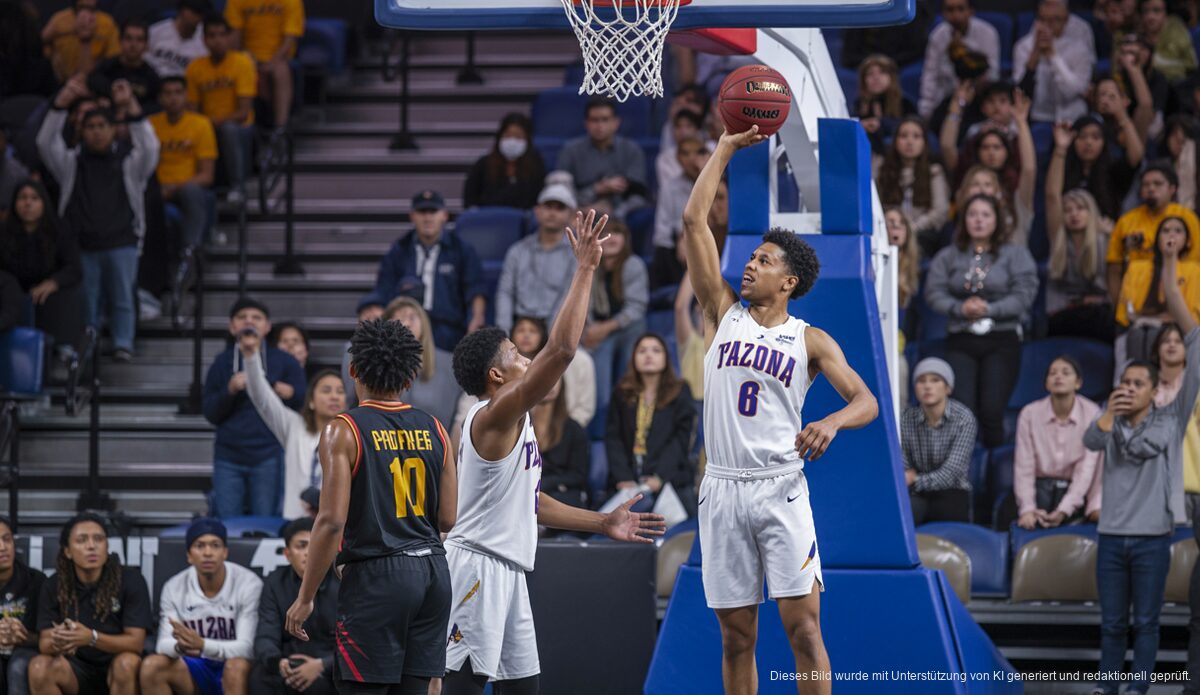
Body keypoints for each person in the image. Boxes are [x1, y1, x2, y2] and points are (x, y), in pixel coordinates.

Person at [683, 125, 879, 695]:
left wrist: (831, 421)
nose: (748, 265)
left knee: (804, 629)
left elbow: (866, 401)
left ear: (788, 281)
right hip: (721, 488)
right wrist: (723, 148)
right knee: (736, 637)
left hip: (779, 488)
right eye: (750, 257)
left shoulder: (810, 339)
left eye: (763, 261)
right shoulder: (722, 311)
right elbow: (695, 223)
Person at [443, 209, 665, 694]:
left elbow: (531, 502)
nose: (528, 357)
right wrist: (585, 268)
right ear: (496, 377)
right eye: (517, 355)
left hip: (509, 568)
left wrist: (602, 523)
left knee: (524, 689)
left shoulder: (515, 422)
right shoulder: (494, 415)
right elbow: (562, 351)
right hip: (476, 567)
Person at [284, 318, 458, 694]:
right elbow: (448, 517)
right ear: (410, 377)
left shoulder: (343, 428)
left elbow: (330, 522)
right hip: (433, 573)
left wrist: (306, 596)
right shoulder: (436, 427)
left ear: (353, 371)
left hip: (379, 575)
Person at [1084, 230, 1199, 695]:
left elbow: (1141, 447)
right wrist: (1112, 410)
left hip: (1153, 535)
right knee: (1112, 624)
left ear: (1155, 390)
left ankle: (1138, 690)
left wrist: (1169, 272)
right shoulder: (1109, 416)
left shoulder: (1171, 417)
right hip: (1111, 532)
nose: (1130, 387)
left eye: (1139, 383)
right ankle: (1109, 687)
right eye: (1125, 381)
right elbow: (1092, 441)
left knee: (1146, 623)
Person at [37, 76, 159, 363]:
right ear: (82, 131)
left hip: (122, 240)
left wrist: (132, 106)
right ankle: (86, 346)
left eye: (102, 126)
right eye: (90, 127)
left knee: (122, 299)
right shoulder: (69, 163)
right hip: (83, 243)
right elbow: (44, 143)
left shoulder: (130, 164)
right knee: (86, 301)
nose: (96, 133)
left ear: (114, 130)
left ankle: (123, 344)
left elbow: (151, 148)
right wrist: (59, 105)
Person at [925, 193, 1038, 448]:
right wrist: (959, 307)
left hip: (1002, 337)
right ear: (963, 220)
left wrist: (990, 308)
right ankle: (964, 476)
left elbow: (1024, 294)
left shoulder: (1015, 254)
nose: (978, 220)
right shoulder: (948, 255)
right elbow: (933, 292)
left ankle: (992, 477)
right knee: (961, 410)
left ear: (997, 220)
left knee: (991, 409)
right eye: (972, 214)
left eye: (986, 215)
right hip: (960, 337)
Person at [202, 297, 307, 518]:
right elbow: (210, 412)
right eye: (242, 318)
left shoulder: (286, 361)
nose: (249, 322)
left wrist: (290, 393)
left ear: (267, 327)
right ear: (232, 327)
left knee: (265, 524)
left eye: (256, 318)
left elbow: (306, 403)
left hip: (269, 453)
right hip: (228, 456)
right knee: (227, 525)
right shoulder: (221, 363)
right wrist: (229, 390)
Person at [29, 513, 151, 695]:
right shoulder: (54, 585)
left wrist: (91, 638)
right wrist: (62, 641)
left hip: (117, 667)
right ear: (67, 551)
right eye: (81, 540)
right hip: (74, 668)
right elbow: (45, 643)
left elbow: (136, 643)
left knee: (127, 663)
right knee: (39, 666)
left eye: (98, 539)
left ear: (107, 546)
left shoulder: (131, 580)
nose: (91, 546)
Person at [140, 518, 261, 695]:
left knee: (236, 666)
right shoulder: (174, 587)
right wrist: (181, 647)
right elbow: (163, 644)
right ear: (189, 555)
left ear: (225, 552)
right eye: (200, 545)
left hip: (233, 665)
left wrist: (203, 645)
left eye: (215, 545)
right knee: (152, 666)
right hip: (196, 665)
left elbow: (246, 648)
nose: (208, 552)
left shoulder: (248, 583)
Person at [242, 322, 345, 520]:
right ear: (312, 401)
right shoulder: (293, 426)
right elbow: (262, 398)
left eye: (340, 391)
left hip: (337, 527)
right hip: (296, 523)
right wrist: (251, 357)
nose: (334, 396)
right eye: (326, 390)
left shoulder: (353, 436)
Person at [370, 190, 487, 352]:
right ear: (412, 216)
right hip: (405, 327)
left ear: (444, 215)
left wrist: (476, 320)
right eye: (422, 212)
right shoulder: (399, 250)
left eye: (433, 211)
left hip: (448, 330)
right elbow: (383, 289)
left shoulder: (461, 249)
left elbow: (475, 290)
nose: (427, 218)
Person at [606, 333, 698, 515]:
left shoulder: (680, 391)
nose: (649, 355)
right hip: (627, 479)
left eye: (656, 350)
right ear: (633, 358)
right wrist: (623, 477)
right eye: (642, 351)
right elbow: (613, 437)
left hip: (669, 478)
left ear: (666, 358)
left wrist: (659, 477)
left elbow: (680, 440)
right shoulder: (621, 392)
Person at [1011, 356, 1102, 530]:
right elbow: (1024, 466)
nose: (1058, 377)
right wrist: (1027, 509)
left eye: (1066, 373)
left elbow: (1086, 469)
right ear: (1046, 384)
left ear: (1078, 383)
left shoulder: (1093, 413)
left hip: (1076, 497)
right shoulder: (1029, 413)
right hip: (1040, 492)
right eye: (1052, 373)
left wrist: (1064, 511)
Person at [0, 180, 86, 362]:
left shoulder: (59, 229)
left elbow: (74, 268)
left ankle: (63, 351)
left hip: (48, 296)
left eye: (34, 198)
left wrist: (53, 282)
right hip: (11, 294)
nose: (28, 203)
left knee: (70, 293)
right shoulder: (4, 231)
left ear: (44, 203)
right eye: (22, 198)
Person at [150, 76, 216, 301]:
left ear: (186, 96)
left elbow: (207, 175)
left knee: (193, 192)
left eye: (178, 92)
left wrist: (174, 188)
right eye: (167, 93)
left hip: (187, 190)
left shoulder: (200, 124)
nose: (173, 98)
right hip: (156, 193)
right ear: (159, 98)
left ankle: (190, 256)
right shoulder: (150, 125)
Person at [254, 518, 338, 695]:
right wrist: (278, 663)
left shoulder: (343, 581)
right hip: (287, 664)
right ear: (287, 553)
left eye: (316, 545)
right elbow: (265, 636)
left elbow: (359, 642)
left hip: (331, 668)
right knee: (259, 678)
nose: (309, 552)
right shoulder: (275, 583)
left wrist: (323, 665)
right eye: (302, 546)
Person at [585, 220, 649, 432]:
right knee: (599, 387)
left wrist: (603, 329)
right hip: (598, 330)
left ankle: (629, 424)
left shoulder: (633, 264)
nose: (613, 238)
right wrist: (591, 329)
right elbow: (583, 303)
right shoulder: (589, 264)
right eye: (608, 233)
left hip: (626, 328)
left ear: (626, 239)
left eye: (618, 233)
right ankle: (601, 434)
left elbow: (636, 308)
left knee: (628, 370)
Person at [1107, 163, 1200, 308]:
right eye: (1145, 184)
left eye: (1157, 184)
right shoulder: (1127, 221)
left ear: (1172, 189)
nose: (1151, 188)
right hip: (1135, 294)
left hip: (1181, 291)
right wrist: (1118, 308)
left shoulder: (1187, 217)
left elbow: (1195, 261)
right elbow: (1114, 268)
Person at [186, 18, 256, 204]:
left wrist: (211, 123)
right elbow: (192, 110)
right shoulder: (195, 67)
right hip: (207, 125)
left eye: (222, 35)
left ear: (229, 38)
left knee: (228, 129)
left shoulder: (242, 63)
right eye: (211, 35)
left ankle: (237, 187)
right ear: (204, 40)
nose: (217, 40)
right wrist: (204, 125)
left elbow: (243, 112)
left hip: (240, 127)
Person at [1115, 216, 1200, 367]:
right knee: (1135, 335)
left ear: (1188, 241)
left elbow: (1190, 318)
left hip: (1179, 330)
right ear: (1157, 238)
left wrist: (1155, 319)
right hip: (1138, 329)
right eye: (1165, 231)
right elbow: (1128, 313)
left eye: (1178, 231)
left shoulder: (1195, 271)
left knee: (1162, 336)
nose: (1171, 235)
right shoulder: (1136, 268)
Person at [494, 181, 578, 334]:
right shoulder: (517, 250)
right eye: (548, 207)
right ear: (537, 211)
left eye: (559, 208)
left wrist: (552, 338)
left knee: (582, 359)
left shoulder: (576, 253)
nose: (552, 213)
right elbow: (505, 292)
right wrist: (504, 334)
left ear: (571, 214)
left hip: (560, 332)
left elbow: (570, 298)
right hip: (519, 328)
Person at [901, 358, 976, 525]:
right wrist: (911, 479)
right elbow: (904, 465)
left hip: (952, 491)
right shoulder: (906, 418)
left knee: (949, 514)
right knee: (900, 517)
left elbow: (952, 473)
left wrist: (916, 479)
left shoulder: (964, 418)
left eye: (935, 380)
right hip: (916, 492)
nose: (927, 386)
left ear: (948, 388)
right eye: (921, 381)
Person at [1043, 184, 1113, 342]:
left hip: (1099, 308)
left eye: (1080, 208)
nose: (1074, 214)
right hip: (1068, 309)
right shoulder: (1059, 245)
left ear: (1091, 212)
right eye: (1067, 210)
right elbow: (1054, 289)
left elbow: (1112, 285)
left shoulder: (1104, 242)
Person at [556, 99, 648, 219]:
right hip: (579, 213)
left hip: (620, 216)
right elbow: (560, 193)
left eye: (605, 119)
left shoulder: (631, 150)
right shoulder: (570, 151)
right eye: (594, 120)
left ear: (616, 123)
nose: (600, 126)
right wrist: (597, 189)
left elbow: (639, 195)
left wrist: (616, 214)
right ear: (586, 123)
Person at [873, 117, 950, 256]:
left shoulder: (934, 171)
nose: (910, 141)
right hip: (886, 233)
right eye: (903, 136)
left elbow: (940, 211)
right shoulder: (881, 169)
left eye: (916, 136)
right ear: (895, 140)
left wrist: (911, 228)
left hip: (922, 236)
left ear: (924, 142)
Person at [224, 0, 304, 130]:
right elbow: (235, 36)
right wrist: (244, 59)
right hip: (248, 56)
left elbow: (290, 39)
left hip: (280, 57)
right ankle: (248, 127)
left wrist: (272, 62)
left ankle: (281, 129)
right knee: (242, 68)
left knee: (280, 71)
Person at [384, 296, 462, 427]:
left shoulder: (450, 365)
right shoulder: (377, 366)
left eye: (411, 317)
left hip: (436, 443)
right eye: (399, 319)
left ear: (423, 322)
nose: (406, 324)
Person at [1013, 0, 1096, 123]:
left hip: (1073, 117)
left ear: (1066, 20)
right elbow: (1020, 92)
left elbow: (1073, 91)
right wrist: (1035, 54)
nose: (1048, 25)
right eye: (1043, 19)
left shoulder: (1080, 49)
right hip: (1037, 117)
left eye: (1055, 20)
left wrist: (1053, 55)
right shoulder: (1023, 47)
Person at [918, 0, 1000, 120]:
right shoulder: (938, 36)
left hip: (980, 101)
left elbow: (992, 75)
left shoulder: (987, 33)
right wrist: (926, 110)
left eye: (961, 9)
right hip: (946, 101)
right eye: (950, 10)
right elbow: (930, 76)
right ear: (943, 13)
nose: (956, 15)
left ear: (971, 11)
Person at [1058, 114, 1143, 223]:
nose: (1088, 142)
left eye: (1095, 137)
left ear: (1104, 142)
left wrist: (1122, 115)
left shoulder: (1113, 171)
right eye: (1082, 136)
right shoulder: (1063, 170)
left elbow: (1136, 159)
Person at [0, 516, 45, 695]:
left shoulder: (37, 581)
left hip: (26, 652)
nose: (2, 548)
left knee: (19, 665)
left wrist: (21, 636)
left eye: (6, 539)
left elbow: (48, 637)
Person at [463, 113, 546, 210]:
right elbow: (470, 200)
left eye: (518, 136)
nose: (512, 141)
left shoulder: (536, 166)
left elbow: (539, 201)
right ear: (500, 137)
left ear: (527, 140)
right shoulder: (483, 165)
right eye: (508, 135)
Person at [652, 135, 707, 277]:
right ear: (677, 158)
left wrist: (704, 175)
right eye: (685, 153)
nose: (692, 158)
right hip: (676, 248)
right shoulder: (669, 187)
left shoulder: (717, 183)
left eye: (697, 152)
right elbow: (662, 230)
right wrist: (680, 237)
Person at [533, 378, 590, 509]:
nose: (549, 383)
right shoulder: (519, 425)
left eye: (555, 378)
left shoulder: (574, 429)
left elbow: (578, 475)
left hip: (560, 495)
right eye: (545, 377)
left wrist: (546, 483)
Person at [41, 0, 120, 83]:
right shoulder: (59, 20)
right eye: (82, 7)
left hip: (93, 82)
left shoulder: (107, 24)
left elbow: (114, 58)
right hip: (60, 81)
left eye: (90, 8)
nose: (85, 13)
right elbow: (40, 41)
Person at [89, 21, 160, 109]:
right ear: (120, 40)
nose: (133, 44)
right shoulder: (105, 67)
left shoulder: (152, 78)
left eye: (139, 40)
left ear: (146, 45)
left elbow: (153, 109)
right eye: (128, 38)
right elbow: (92, 83)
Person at [855, 54, 917, 153]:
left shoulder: (905, 103)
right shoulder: (859, 104)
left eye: (882, 72)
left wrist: (881, 124)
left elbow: (913, 130)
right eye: (870, 74)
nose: (876, 77)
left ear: (891, 77)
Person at [1136, 0, 1198, 82]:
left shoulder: (1176, 31)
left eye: (1156, 10)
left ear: (1166, 14)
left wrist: (1153, 62)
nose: (1150, 17)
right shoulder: (1137, 36)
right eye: (1145, 11)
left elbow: (1191, 65)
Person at [146, 0, 209, 78]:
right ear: (182, 10)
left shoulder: (205, 40)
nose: (197, 17)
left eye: (201, 13)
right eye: (195, 11)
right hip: (155, 81)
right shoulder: (156, 31)